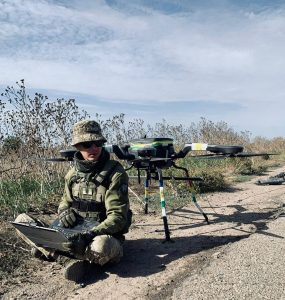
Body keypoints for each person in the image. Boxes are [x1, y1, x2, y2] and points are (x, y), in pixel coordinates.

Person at [14, 119, 132, 282]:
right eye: (87, 144)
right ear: (77, 146)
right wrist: (64, 212)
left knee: (101, 246)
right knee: (22, 221)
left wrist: (88, 235)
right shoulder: (72, 174)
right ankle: (66, 258)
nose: (94, 148)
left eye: (98, 143)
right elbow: (65, 202)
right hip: (72, 232)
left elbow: (118, 218)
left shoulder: (115, 173)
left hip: (99, 235)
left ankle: (53, 252)